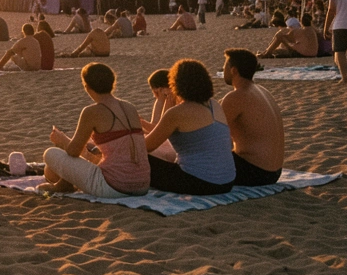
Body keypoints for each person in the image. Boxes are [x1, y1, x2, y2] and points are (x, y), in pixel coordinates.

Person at [42, 63, 149, 197]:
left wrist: (61, 140)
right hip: (143, 185)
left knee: (50, 153)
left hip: (114, 187)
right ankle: (63, 184)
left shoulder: (91, 111)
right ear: (112, 83)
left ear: (86, 87)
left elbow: (73, 151)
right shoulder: (130, 107)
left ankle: (63, 185)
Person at [144, 59, 235, 195]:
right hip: (227, 182)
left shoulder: (178, 112)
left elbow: (146, 146)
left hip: (200, 182)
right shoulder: (214, 105)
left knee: (133, 157)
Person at [220, 49, 284, 186]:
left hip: (255, 173)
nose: (222, 69)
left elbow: (213, 134)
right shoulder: (263, 91)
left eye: (225, 66)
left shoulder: (236, 97)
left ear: (233, 71)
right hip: (275, 172)